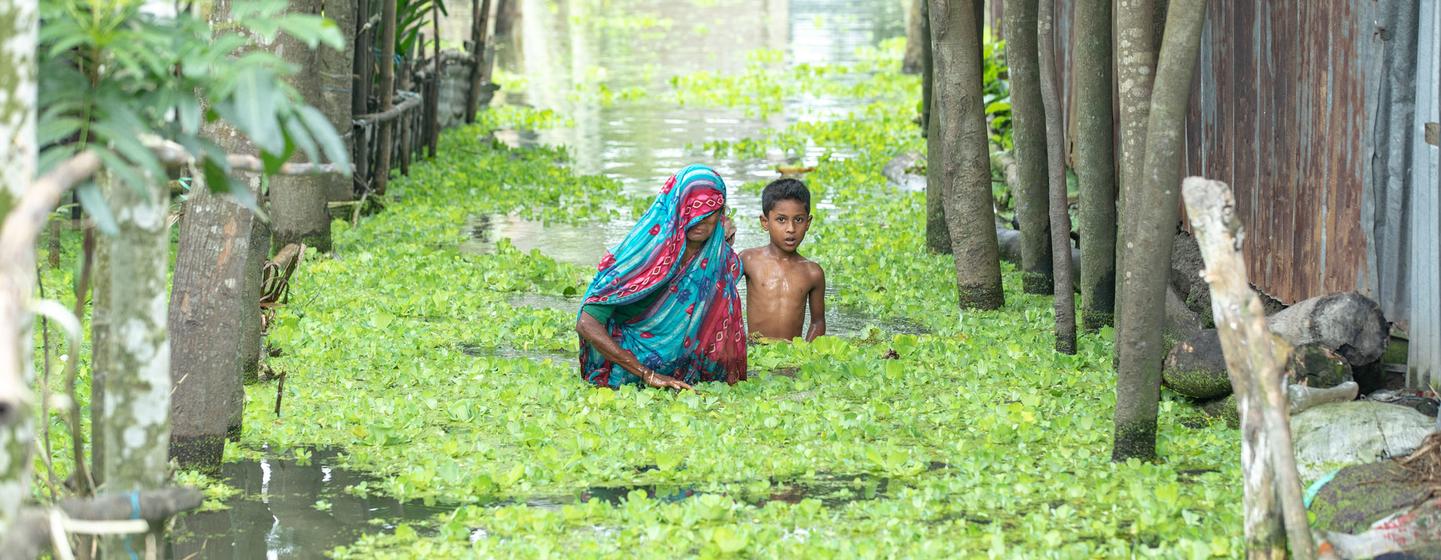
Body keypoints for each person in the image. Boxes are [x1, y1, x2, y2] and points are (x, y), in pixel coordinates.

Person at [575, 164, 746, 390]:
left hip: (692, 378)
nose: (697, 220)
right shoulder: (638, 255)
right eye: (690, 210)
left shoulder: (722, 262)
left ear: (721, 213)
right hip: (627, 375)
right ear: (676, 209)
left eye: (708, 212)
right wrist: (648, 374)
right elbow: (587, 323)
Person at [739, 178, 826, 342]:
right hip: (755, 353)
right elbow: (718, 292)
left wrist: (806, 355)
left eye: (798, 220)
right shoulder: (748, 260)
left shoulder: (813, 273)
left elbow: (818, 322)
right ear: (765, 222)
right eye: (781, 219)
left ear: (808, 223)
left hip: (792, 356)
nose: (791, 229)